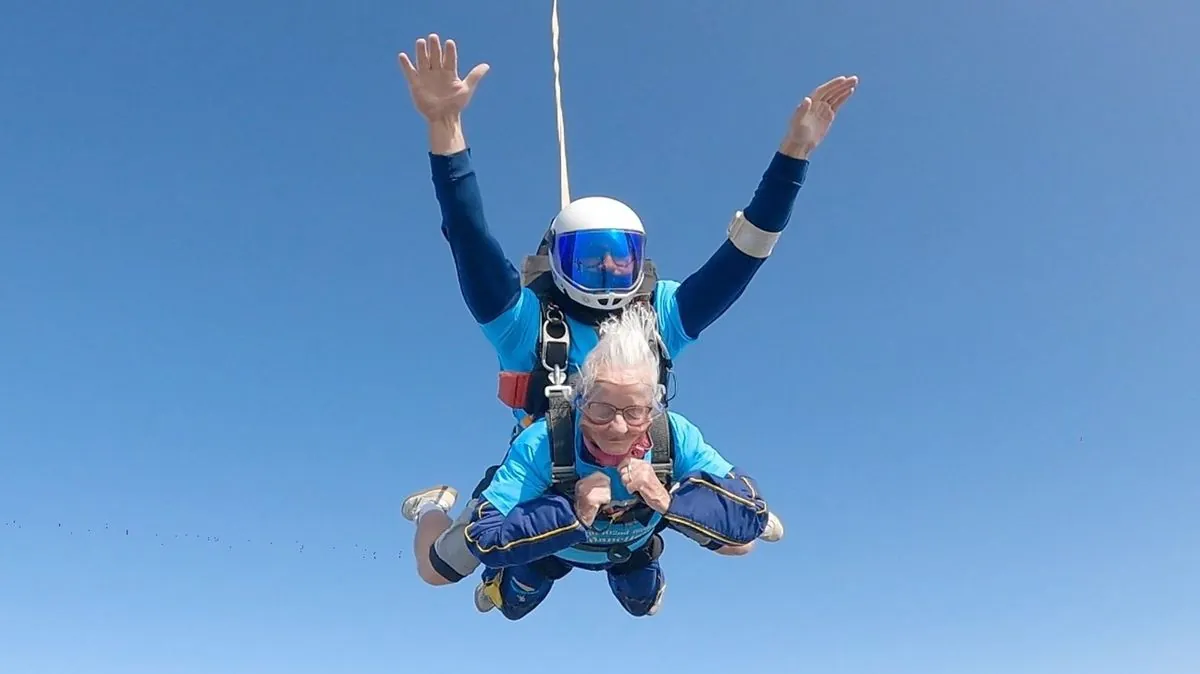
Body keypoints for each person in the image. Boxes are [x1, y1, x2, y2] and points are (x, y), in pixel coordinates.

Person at [393, 33, 856, 592]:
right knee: (439, 571)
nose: (609, 273)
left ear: (642, 261)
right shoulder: (527, 323)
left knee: (743, 540)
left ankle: (655, 546)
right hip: (548, 478)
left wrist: (794, 155)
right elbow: (469, 240)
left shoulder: (660, 315)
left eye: (622, 259)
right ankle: (434, 507)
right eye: (589, 260)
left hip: (640, 473)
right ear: (557, 259)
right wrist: (446, 129)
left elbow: (746, 253)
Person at [468, 303, 769, 618]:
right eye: (601, 409)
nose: (618, 428)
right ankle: (437, 516)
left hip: (629, 548)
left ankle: (650, 558)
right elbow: (483, 535)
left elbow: (752, 514)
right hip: (554, 546)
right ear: (579, 402)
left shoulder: (672, 435)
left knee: (643, 600)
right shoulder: (544, 441)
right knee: (513, 605)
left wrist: (668, 501)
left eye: (635, 412)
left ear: (653, 410)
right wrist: (572, 512)